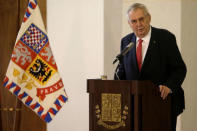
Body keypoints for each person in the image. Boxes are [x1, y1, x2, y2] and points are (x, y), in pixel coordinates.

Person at [114, 3, 187, 131]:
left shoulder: (165, 38)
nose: (138, 24)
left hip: (162, 104)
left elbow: (179, 69)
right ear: (129, 24)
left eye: (141, 19)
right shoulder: (126, 42)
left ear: (149, 18)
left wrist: (169, 86)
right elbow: (122, 72)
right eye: (134, 21)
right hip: (134, 107)